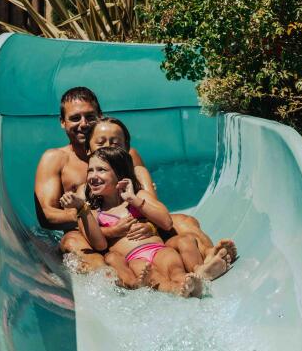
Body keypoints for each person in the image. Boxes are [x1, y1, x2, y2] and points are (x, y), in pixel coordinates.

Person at [34, 87, 229, 273]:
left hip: (136, 227)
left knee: (185, 221)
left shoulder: (128, 155)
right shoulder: (56, 159)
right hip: (90, 234)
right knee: (71, 241)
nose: (83, 124)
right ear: (63, 122)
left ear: (100, 116)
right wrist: (97, 220)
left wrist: (148, 225)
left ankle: (211, 257)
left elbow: (151, 202)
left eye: (90, 116)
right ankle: (107, 280)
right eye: (75, 118)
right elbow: (47, 215)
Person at [59, 147, 231, 297]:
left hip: (159, 249)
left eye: (101, 170)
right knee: (152, 275)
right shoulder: (95, 212)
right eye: (90, 170)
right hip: (133, 258)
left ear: (120, 174)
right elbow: (99, 244)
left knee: (177, 263)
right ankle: (176, 289)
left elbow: (166, 222)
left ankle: (198, 274)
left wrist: (133, 199)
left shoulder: (138, 196)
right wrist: (81, 208)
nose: (93, 176)